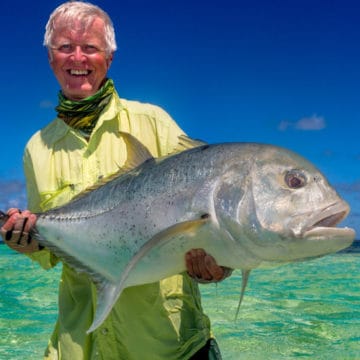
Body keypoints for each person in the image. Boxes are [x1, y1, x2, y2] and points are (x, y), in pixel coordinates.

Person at [0, 2, 232, 359]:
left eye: (90, 47)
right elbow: (49, 250)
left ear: (108, 58)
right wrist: (27, 241)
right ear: (50, 58)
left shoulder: (154, 122)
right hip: (79, 346)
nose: (78, 57)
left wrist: (221, 262)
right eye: (65, 47)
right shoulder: (37, 148)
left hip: (168, 346)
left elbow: (204, 214)